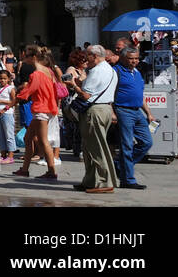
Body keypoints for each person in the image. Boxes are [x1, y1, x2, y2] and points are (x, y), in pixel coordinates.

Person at [71, 44, 118, 194]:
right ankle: (90, 181)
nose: (85, 58)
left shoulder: (98, 71)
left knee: (97, 147)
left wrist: (73, 85)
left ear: (95, 56)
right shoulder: (110, 70)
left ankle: (105, 182)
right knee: (89, 147)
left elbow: (86, 95)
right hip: (104, 109)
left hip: (95, 111)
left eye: (87, 55)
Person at [13, 48, 60, 181]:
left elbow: (28, 92)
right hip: (47, 108)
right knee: (28, 138)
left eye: (26, 56)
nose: (24, 58)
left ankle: (51, 171)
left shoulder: (37, 73)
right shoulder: (48, 71)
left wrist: (12, 102)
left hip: (41, 109)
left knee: (43, 141)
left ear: (33, 57)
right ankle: (24, 169)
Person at [113, 46, 154, 190]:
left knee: (147, 142)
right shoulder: (116, 71)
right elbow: (110, 92)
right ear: (123, 58)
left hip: (137, 111)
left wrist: (148, 112)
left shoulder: (136, 72)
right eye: (131, 59)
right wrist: (113, 111)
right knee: (127, 145)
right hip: (123, 110)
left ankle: (119, 165)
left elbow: (140, 95)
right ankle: (128, 179)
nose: (134, 61)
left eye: (137, 58)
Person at [0, 69, 17, 163]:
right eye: (1, 78)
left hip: (7, 114)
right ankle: (3, 154)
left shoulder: (10, 88)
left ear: (9, 79)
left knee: (9, 135)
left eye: (5, 79)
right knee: (0, 135)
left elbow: (14, 101)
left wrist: (3, 105)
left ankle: (10, 156)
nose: (2, 80)